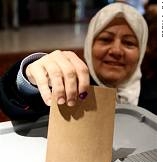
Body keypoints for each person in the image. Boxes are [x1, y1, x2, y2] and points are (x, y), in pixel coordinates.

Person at [0, 2, 148, 121]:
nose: (116, 51)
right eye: (105, 39)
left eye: (129, 43)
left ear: (141, 51)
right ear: (89, 44)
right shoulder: (69, 87)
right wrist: (28, 79)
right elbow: (19, 107)